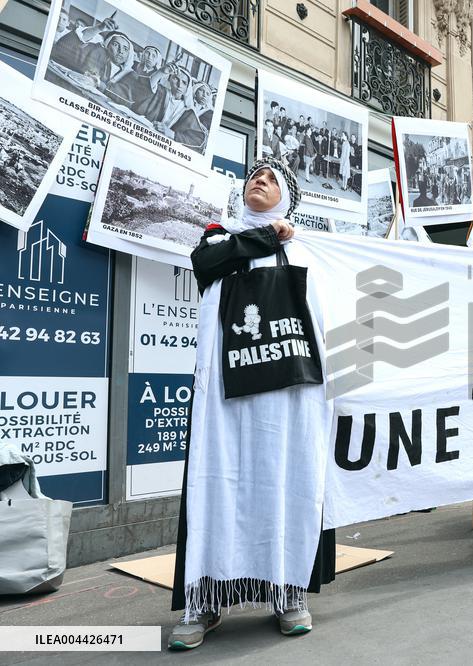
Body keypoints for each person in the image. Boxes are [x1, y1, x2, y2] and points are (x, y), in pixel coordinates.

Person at [168, 157, 334, 650]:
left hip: (286, 392)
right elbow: (208, 262)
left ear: (286, 197)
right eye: (251, 178)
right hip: (224, 393)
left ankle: (289, 593)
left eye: (269, 180)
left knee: (286, 482)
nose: (257, 183)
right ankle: (205, 601)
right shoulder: (222, 239)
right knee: (216, 485)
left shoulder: (307, 253)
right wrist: (269, 236)